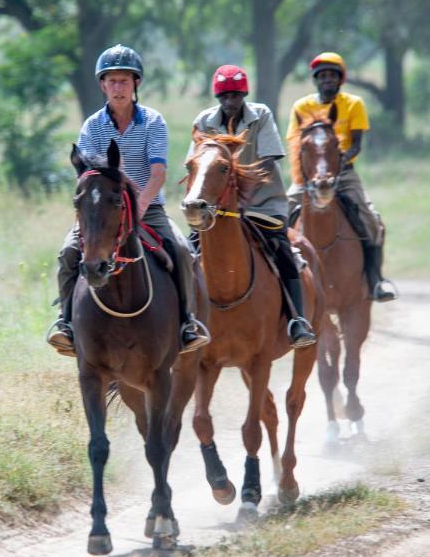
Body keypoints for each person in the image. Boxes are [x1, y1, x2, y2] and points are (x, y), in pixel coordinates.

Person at [47, 43, 211, 357]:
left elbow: (158, 174)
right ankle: (66, 323)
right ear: (102, 85)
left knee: (181, 250)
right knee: (68, 252)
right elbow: (85, 178)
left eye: (124, 80)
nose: (118, 87)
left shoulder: (153, 121)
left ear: (136, 83)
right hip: (103, 214)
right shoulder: (91, 127)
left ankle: (187, 323)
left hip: (148, 209)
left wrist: (137, 209)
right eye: (112, 81)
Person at [189, 64, 317, 349]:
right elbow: (197, 164)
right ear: (217, 97)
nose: (231, 102)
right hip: (216, 208)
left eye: (235, 95)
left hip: (262, 204)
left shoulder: (261, 115)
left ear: (244, 94)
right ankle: (186, 321)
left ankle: (297, 319)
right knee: (189, 252)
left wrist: (243, 199)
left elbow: (269, 161)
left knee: (282, 248)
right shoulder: (204, 121)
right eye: (225, 96)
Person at [286, 52, 396, 302]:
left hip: (343, 173)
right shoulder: (301, 107)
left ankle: (375, 279)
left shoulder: (354, 104)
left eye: (332, 75)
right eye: (322, 76)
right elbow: (295, 142)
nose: (327, 80)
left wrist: (338, 163)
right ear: (316, 80)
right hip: (309, 175)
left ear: (340, 79)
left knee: (371, 219)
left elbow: (357, 144)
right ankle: (282, 280)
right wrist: (313, 168)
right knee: (278, 216)